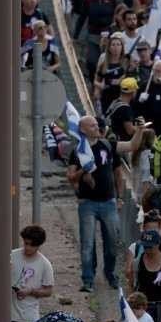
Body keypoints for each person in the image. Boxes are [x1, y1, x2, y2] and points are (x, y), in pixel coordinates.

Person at [68, 114, 124, 292]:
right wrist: (82, 172)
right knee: (87, 244)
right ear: (83, 130)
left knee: (113, 243)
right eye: (92, 126)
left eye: (96, 125)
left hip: (108, 202)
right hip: (88, 204)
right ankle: (88, 279)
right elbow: (71, 177)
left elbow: (118, 172)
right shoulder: (78, 151)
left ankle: (110, 273)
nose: (97, 128)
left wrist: (120, 197)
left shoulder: (107, 145)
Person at [10, 225, 55, 322]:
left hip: (29, 320)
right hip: (9, 317)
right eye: (25, 243)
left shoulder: (44, 264)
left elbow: (48, 291)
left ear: (38, 245)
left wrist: (31, 291)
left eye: (31, 245)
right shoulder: (12, 256)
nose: (27, 247)